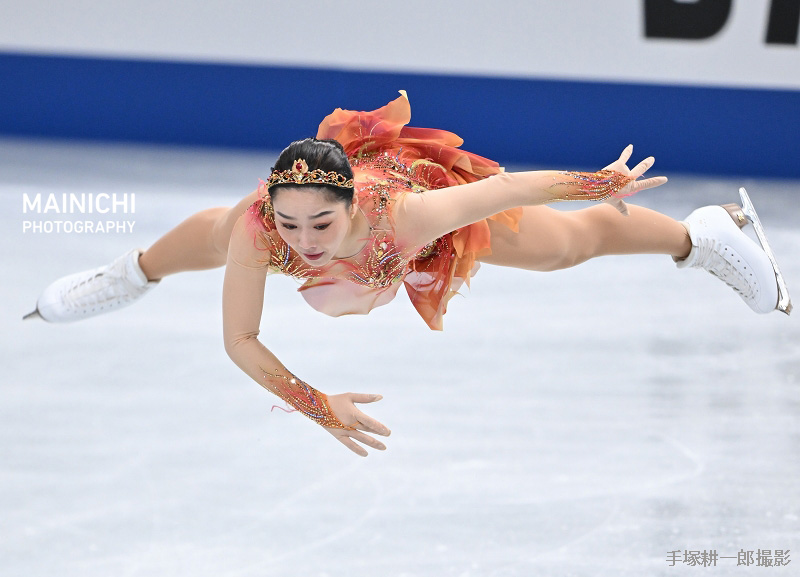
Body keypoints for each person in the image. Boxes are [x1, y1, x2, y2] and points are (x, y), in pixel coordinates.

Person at [25, 92, 791, 457]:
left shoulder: (407, 215)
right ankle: (129, 274)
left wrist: (596, 183)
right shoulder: (264, 225)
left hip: (416, 219)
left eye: (320, 225)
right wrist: (317, 404)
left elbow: (508, 189)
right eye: (289, 223)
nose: (304, 242)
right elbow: (241, 339)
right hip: (265, 226)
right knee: (222, 237)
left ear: (350, 206)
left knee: (565, 247)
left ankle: (703, 235)